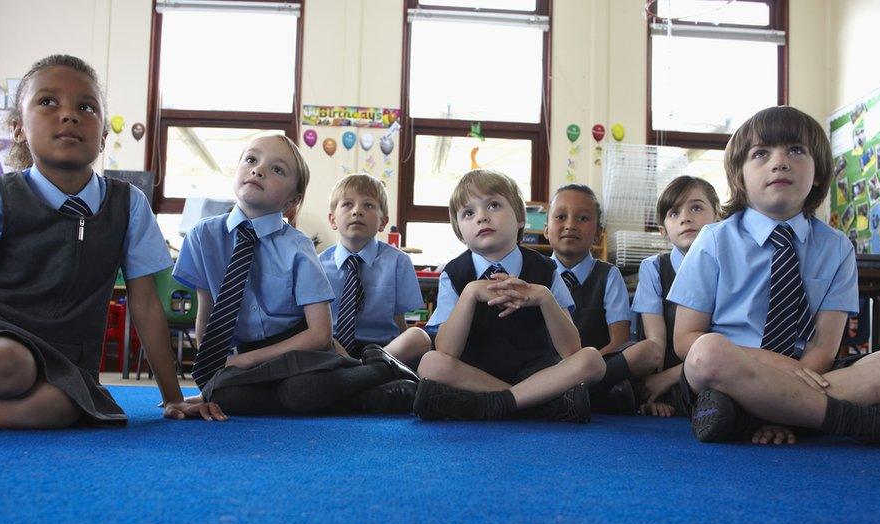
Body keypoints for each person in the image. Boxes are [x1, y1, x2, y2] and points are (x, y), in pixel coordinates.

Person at [0, 54, 223, 429]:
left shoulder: (129, 205)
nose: (69, 114)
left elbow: (144, 303)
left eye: (86, 107)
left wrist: (173, 398)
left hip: (64, 360)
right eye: (48, 102)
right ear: (18, 129)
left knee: (59, 408)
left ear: (103, 138)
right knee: (5, 363)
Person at [670, 105, 880, 445]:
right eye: (760, 153)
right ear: (739, 176)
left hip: (808, 372)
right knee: (707, 353)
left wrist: (794, 377)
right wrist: (774, 365)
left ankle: (754, 414)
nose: (779, 161)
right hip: (729, 369)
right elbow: (686, 338)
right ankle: (846, 420)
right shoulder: (714, 240)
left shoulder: (837, 248)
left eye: (795, 150)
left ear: (818, 172)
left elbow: (823, 344)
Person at [175, 135, 417, 416]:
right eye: (251, 160)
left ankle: (379, 370)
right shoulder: (202, 236)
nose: (258, 170)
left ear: (294, 199)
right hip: (250, 353)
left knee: (299, 390)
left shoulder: (298, 246)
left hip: (302, 350)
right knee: (223, 395)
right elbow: (207, 317)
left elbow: (320, 334)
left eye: (277, 169)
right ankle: (370, 397)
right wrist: (210, 380)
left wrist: (246, 361)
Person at [412, 169, 604, 421]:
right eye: (468, 213)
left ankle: (496, 404)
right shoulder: (455, 273)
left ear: (520, 218)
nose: (482, 217)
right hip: (475, 374)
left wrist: (544, 298)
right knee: (430, 363)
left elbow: (571, 349)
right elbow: (446, 350)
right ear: (459, 231)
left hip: (536, 371)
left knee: (592, 360)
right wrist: (469, 294)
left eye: (493, 205)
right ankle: (533, 403)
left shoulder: (546, 270)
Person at [544, 184, 662, 414]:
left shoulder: (608, 275)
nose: (570, 225)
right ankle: (579, 395)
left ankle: (567, 395)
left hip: (597, 368)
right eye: (560, 217)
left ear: (598, 232)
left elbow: (619, 341)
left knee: (648, 351)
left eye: (583, 218)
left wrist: (583, 367)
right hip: (546, 370)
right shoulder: (535, 273)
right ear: (547, 229)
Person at [318, 174, 431, 366]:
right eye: (347, 204)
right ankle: (360, 370)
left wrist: (407, 354)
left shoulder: (398, 261)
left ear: (383, 222)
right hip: (333, 345)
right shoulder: (317, 264)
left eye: (368, 205)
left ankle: (363, 369)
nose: (357, 211)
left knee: (419, 336)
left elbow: (400, 321)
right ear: (332, 219)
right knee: (313, 336)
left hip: (384, 349)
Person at [630, 176, 720, 417]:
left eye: (696, 207)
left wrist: (671, 377)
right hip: (667, 378)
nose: (685, 218)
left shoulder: (732, 267)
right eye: (674, 213)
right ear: (662, 231)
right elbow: (655, 345)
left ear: (718, 218)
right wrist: (656, 385)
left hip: (718, 370)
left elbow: (735, 340)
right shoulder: (653, 268)